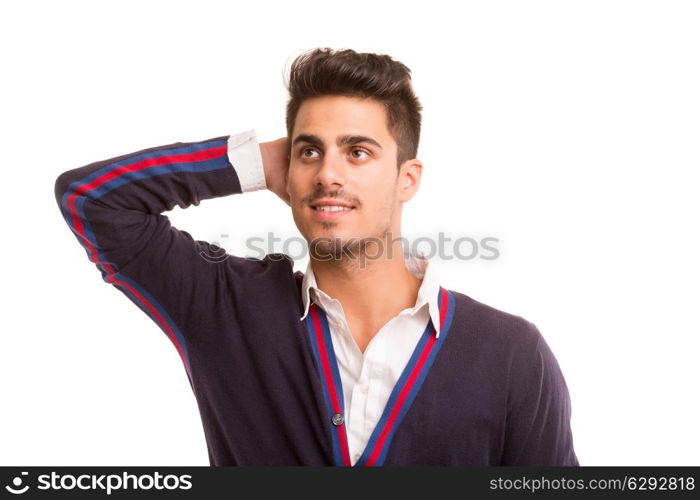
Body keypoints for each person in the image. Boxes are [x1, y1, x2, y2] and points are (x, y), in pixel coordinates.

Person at [54, 47, 578, 466]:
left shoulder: (511, 353)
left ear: (406, 180)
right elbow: (92, 199)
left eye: (357, 152)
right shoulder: (222, 308)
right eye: (309, 151)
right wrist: (254, 163)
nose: (328, 174)